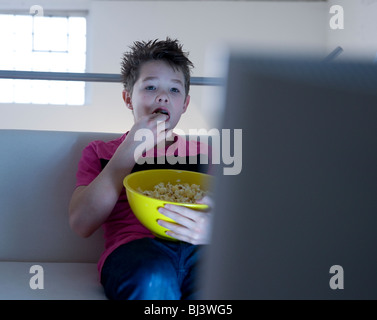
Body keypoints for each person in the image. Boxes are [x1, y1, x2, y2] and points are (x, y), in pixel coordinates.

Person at [68, 38, 214, 300]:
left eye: (174, 90)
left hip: (201, 252)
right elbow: (82, 223)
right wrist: (130, 149)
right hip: (135, 252)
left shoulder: (206, 154)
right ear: (128, 98)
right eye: (150, 86)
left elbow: (240, 217)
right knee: (153, 279)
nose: (162, 96)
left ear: (185, 104)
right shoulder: (101, 152)